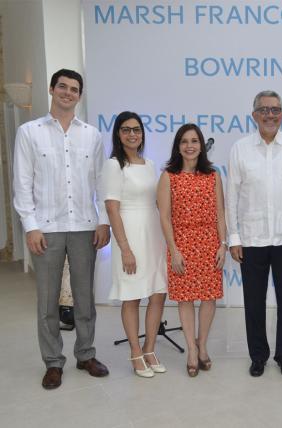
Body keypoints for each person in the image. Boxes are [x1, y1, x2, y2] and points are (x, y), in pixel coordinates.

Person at [13, 68, 111, 389]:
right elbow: (22, 183)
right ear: (52, 89)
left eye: (74, 89)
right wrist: (31, 226)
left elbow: (100, 181)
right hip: (47, 228)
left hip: (84, 227)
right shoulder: (30, 132)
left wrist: (103, 221)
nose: (68, 93)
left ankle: (85, 354)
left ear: (80, 96)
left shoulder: (92, 135)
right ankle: (53, 362)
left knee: (85, 298)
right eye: (63, 87)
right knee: (47, 302)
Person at [226, 90, 282, 378]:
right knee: (253, 302)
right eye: (264, 110)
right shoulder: (240, 148)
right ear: (254, 115)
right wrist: (234, 237)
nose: (270, 115)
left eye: (275, 109)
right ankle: (258, 356)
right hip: (252, 239)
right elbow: (232, 196)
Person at [102, 111, 168, 378]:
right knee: (132, 297)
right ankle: (135, 352)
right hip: (128, 234)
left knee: (157, 292)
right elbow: (111, 208)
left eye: (137, 129)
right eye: (126, 129)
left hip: (153, 234)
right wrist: (125, 248)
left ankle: (150, 348)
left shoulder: (150, 164)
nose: (132, 134)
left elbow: (158, 203)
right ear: (118, 133)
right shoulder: (113, 165)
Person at [157, 123, 226, 377]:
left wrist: (223, 244)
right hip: (182, 244)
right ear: (178, 146)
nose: (190, 146)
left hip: (209, 243)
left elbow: (220, 214)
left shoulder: (213, 175)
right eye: (184, 141)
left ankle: (203, 345)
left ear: (201, 145)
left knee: (209, 298)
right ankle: (191, 350)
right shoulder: (168, 176)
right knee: (185, 299)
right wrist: (173, 250)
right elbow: (164, 217)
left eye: (194, 141)